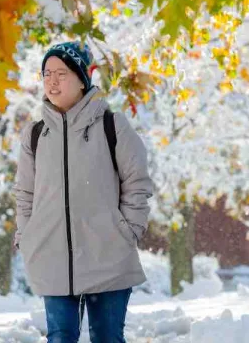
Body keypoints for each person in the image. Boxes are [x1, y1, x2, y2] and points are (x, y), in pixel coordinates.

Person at [14, 42, 155, 343]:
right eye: (46, 73)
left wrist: (128, 231)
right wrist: (27, 237)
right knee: (60, 338)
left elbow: (137, 183)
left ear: (81, 79)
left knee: (106, 337)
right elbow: (25, 193)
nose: (52, 80)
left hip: (108, 254)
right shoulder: (36, 135)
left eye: (61, 73)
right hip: (52, 257)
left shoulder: (112, 126)